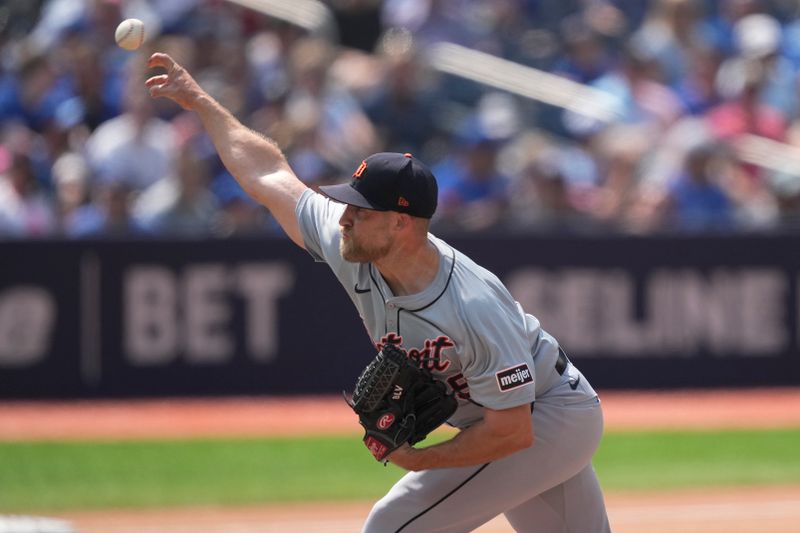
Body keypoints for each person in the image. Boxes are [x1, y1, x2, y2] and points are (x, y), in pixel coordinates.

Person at [145, 52, 611, 533]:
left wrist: (422, 459)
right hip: (515, 420)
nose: (343, 217)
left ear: (401, 223)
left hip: (544, 418)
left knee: (393, 526)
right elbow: (268, 175)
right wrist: (201, 103)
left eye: (360, 211)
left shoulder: (471, 304)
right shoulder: (350, 243)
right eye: (347, 204)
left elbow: (512, 430)